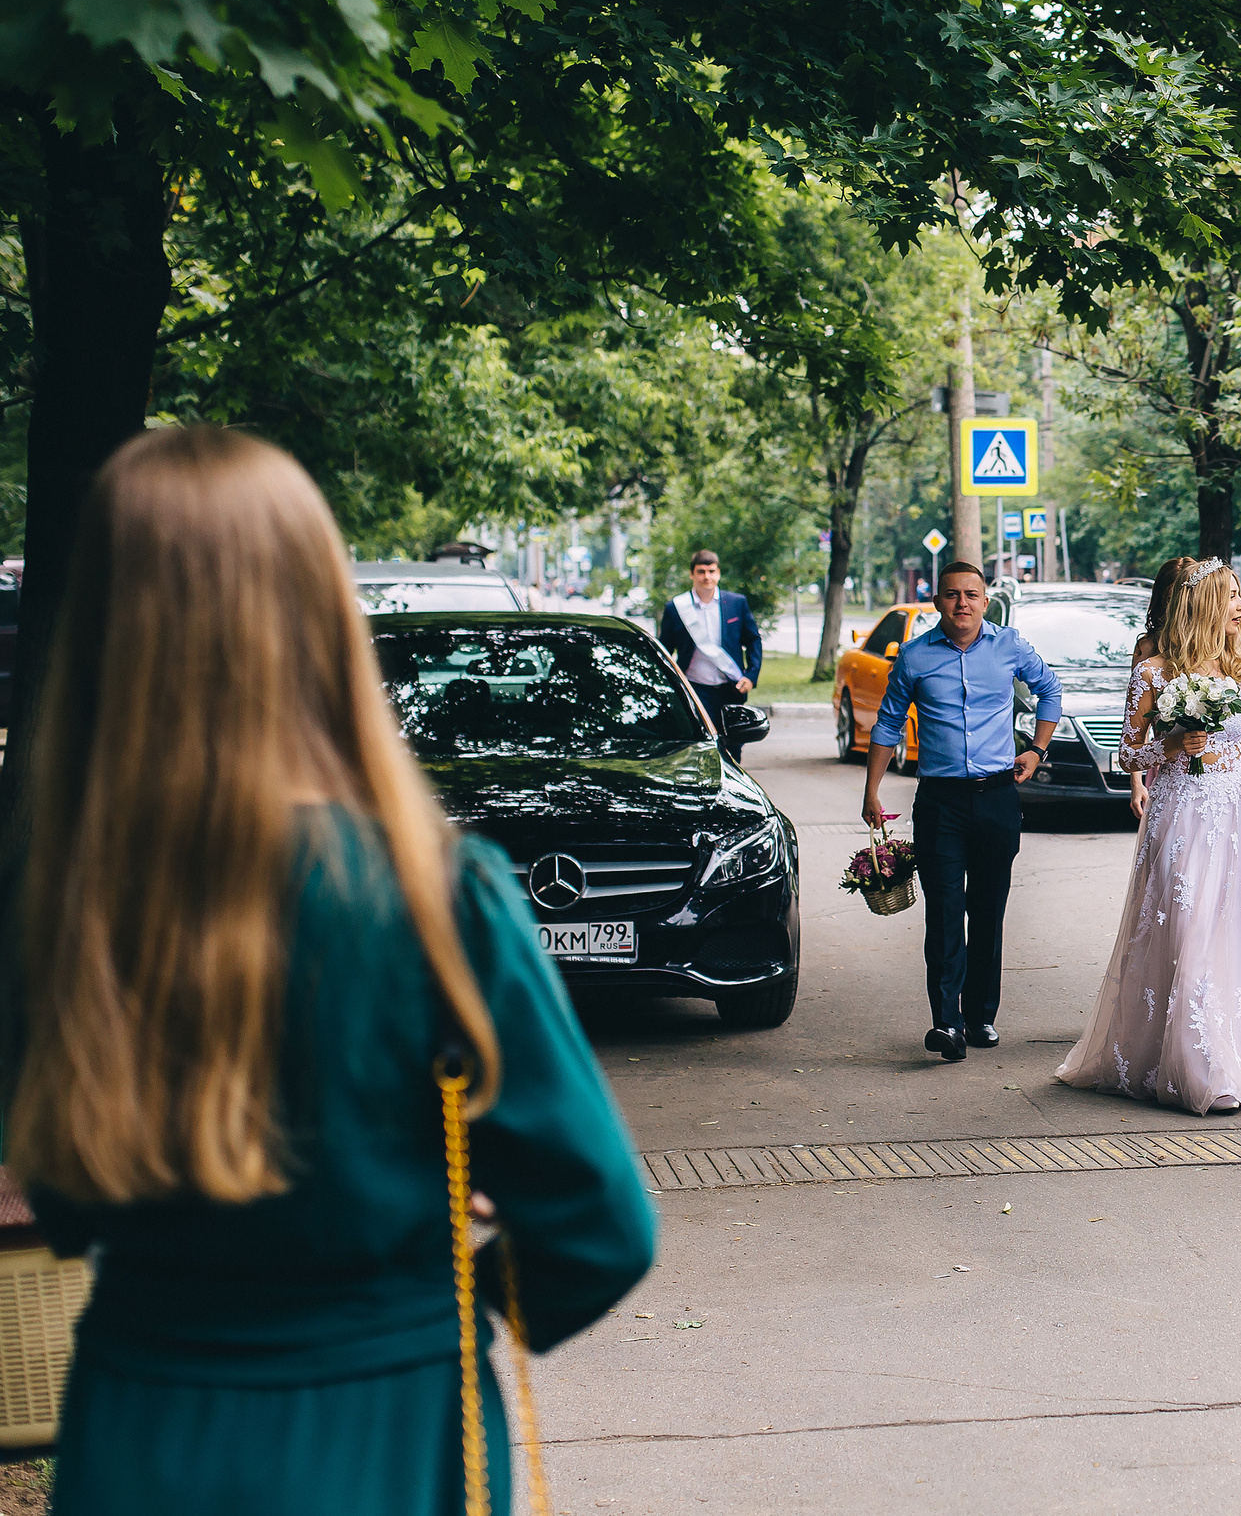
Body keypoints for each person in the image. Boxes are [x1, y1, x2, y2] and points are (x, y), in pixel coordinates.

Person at [2, 427, 655, 1516]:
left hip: (145, 1419)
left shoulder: (51, 902)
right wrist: (458, 1287)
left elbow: (60, 1199)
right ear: (317, 618)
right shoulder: (440, 897)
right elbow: (600, 1228)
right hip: (393, 1423)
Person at [1056, 561, 1241, 1113]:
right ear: (1202, 603)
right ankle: (1198, 1067)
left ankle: (1225, 1055)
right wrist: (1174, 747)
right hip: (1179, 816)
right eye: (1230, 596)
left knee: (1230, 932)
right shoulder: (1154, 671)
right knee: (1188, 928)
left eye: (1240, 595)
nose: (1240, 606)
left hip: (1236, 819)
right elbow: (1128, 753)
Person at [863, 562, 1063, 1061]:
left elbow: (1050, 691)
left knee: (988, 911)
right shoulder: (913, 656)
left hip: (997, 798)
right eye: (952, 595)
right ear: (937, 601)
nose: (962, 604)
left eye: (971, 595)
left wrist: (1036, 749)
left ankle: (980, 1016)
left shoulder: (1009, 646)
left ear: (985, 599)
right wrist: (872, 791)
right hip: (940, 803)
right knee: (946, 913)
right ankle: (946, 1023)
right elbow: (887, 724)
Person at [657, 550, 761, 746]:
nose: (707, 577)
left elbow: (754, 640)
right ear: (692, 574)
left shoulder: (736, 603)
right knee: (701, 746)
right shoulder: (676, 608)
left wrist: (751, 675)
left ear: (718, 573)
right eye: (701, 571)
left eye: (711, 571)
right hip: (694, 688)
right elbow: (665, 649)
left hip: (731, 686)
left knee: (733, 747)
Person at [1124, 556, 1194, 820]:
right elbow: (1136, 724)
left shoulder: (1218, 644)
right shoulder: (1147, 650)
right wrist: (1136, 783)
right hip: (1167, 763)